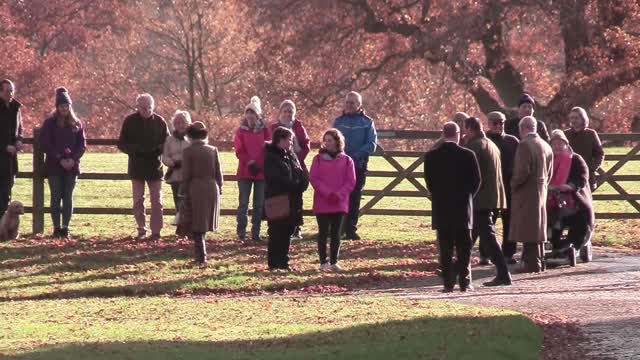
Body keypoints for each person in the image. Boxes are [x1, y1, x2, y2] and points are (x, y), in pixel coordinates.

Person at [424, 122, 481, 292]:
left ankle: (448, 283)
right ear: (458, 134)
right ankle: (465, 280)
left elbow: (430, 182)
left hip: (442, 207)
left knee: (446, 247)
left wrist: (439, 196)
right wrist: (468, 196)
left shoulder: (431, 156)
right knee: (464, 246)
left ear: (443, 134)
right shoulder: (468, 155)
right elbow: (476, 181)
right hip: (462, 207)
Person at [463, 117, 512, 286]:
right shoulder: (491, 144)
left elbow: (470, 173)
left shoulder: (475, 146)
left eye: (465, 130)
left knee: (488, 238)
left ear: (469, 129)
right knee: (471, 236)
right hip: (494, 196)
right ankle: (457, 269)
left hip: (481, 198)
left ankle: (504, 273)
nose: (464, 134)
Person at [117, 93, 169, 241]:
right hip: (137, 165)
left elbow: (167, 142)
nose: (146, 111)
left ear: (153, 107)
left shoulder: (160, 122)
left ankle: (156, 231)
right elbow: (122, 143)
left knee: (157, 201)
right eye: (143, 108)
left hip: (154, 166)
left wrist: (157, 150)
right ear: (137, 107)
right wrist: (135, 150)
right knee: (138, 200)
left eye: (149, 108)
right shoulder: (129, 121)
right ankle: (141, 229)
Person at [39, 87, 87, 239]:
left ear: (69, 106)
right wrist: (59, 158)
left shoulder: (77, 124)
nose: (64, 109)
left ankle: (65, 227)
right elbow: (46, 143)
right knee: (55, 196)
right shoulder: (50, 123)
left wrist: (73, 158)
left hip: (72, 166)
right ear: (57, 107)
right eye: (61, 106)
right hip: (54, 165)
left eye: (66, 106)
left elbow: (82, 144)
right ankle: (56, 227)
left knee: (68, 196)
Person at [510, 116, 554, 273]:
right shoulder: (546, 145)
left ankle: (531, 263)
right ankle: (539, 260)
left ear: (523, 129)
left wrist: (513, 185)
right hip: (541, 188)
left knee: (528, 226)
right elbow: (550, 172)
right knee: (538, 225)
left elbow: (522, 171)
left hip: (527, 190)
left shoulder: (524, 145)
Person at [309, 129, 356, 272]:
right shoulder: (317, 159)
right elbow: (314, 178)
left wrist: (339, 194)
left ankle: (334, 261)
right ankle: (323, 261)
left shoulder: (347, 160)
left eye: (330, 140)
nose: (327, 143)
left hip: (339, 202)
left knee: (336, 233)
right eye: (326, 140)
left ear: (337, 141)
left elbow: (351, 181)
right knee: (322, 232)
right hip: (323, 201)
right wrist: (327, 192)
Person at [332, 91, 377, 240]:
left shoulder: (367, 122)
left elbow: (371, 144)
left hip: (358, 165)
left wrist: (355, 156)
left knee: (355, 197)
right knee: (339, 196)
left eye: (352, 103)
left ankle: (350, 229)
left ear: (359, 105)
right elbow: (331, 140)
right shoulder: (339, 122)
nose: (349, 105)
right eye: (347, 102)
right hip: (339, 166)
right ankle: (337, 228)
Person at [264, 127, 308, 271]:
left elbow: (300, 172)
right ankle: (274, 263)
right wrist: (293, 185)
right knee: (276, 232)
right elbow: (275, 178)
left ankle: (284, 262)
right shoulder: (271, 156)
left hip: (293, 200)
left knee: (288, 231)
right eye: (289, 139)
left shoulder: (291, 155)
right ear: (280, 139)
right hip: (277, 200)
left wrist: (302, 183)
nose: (291, 142)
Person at [180, 122, 223, 266]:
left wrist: (183, 191)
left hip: (196, 188)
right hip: (212, 187)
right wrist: (220, 188)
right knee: (203, 223)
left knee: (197, 224)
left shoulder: (188, 152)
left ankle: (201, 257)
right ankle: (201, 256)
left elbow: (186, 174)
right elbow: (219, 173)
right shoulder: (212, 150)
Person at [547, 130, 594, 259]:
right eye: (554, 144)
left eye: (559, 143)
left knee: (579, 220)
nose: (556, 146)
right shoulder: (548, 159)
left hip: (574, 198)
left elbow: (583, 177)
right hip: (553, 198)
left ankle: (574, 244)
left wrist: (570, 186)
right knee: (552, 220)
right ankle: (555, 245)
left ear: (566, 144)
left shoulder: (575, 159)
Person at [270, 100, 310, 240]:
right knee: (280, 196)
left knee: (297, 198)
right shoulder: (274, 127)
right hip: (279, 166)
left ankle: (297, 227)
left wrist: (296, 158)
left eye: (290, 112)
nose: (287, 114)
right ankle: (279, 226)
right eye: (285, 111)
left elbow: (306, 146)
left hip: (296, 165)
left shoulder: (299, 127)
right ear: (280, 112)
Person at [234, 96, 271, 242]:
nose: (250, 116)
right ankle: (241, 233)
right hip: (245, 171)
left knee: (258, 204)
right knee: (243, 203)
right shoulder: (240, 131)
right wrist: (249, 162)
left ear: (258, 115)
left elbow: (269, 147)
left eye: (253, 113)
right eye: (247, 113)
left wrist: (261, 164)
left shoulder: (265, 130)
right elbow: (239, 149)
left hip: (261, 172)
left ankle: (255, 233)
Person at [486, 111, 520, 264]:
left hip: (508, 185)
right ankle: (486, 253)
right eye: (495, 122)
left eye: (501, 122)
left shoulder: (513, 141)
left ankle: (509, 252)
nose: (498, 125)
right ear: (489, 123)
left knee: (509, 221)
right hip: (490, 186)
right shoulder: (484, 141)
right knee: (487, 221)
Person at [162, 110, 192, 237]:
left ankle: (188, 227)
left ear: (188, 124)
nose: (180, 125)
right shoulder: (169, 140)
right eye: (178, 123)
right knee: (178, 202)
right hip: (174, 175)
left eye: (183, 123)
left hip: (188, 175)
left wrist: (185, 163)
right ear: (174, 124)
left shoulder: (191, 139)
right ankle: (180, 227)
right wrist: (172, 163)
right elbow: (164, 156)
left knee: (188, 202)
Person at [565, 107, 605, 192]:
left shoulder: (591, 134)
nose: (573, 120)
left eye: (576, 118)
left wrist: (591, 168)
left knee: (586, 201)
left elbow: (599, 154)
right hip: (568, 174)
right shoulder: (565, 134)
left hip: (586, 174)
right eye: (572, 117)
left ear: (583, 119)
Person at [0, 79, 23, 219]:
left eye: (12, 91)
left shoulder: (16, 108)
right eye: (7, 91)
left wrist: (19, 139)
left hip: (10, 159)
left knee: (6, 192)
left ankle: (3, 227)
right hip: (1, 155)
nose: (10, 93)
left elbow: (20, 128)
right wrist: (4, 147)